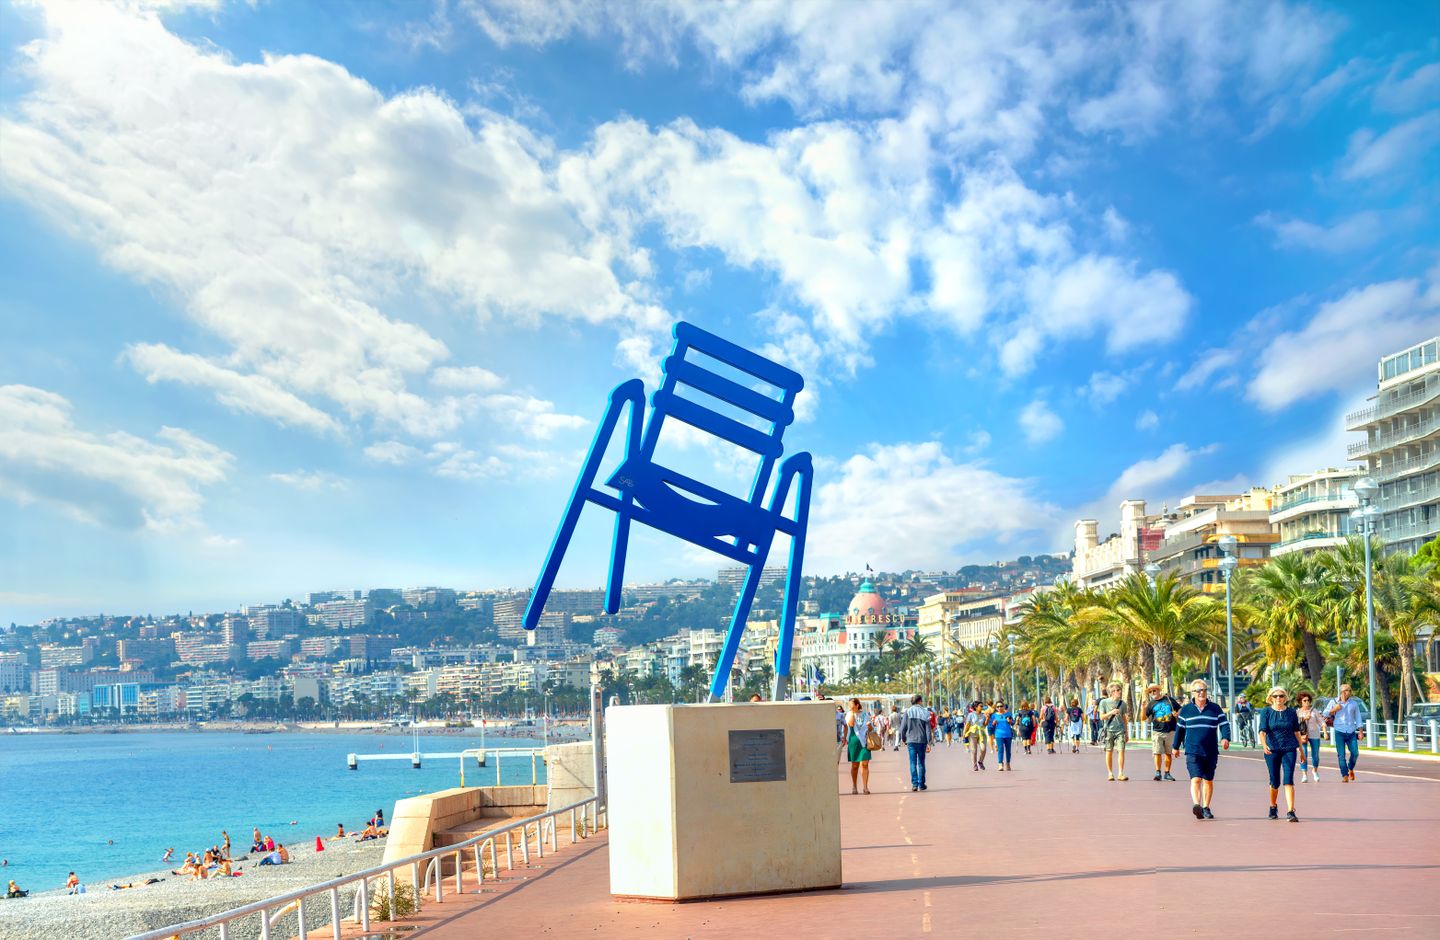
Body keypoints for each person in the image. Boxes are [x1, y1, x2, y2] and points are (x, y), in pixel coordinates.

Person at [1175, 679, 1231, 819]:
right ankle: (1196, 805)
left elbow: (1224, 724)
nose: (1202, 693)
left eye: (1204, 690)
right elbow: (1180, 730)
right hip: (1193, 750)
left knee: (1208, 780)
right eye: (1199, 690)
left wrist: (1225, 738)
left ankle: (1206, 807)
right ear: (1193, 693)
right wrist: (1175, 747)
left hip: (1211, 750)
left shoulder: (1215, 708)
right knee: (1196, 779)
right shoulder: (1186, 710)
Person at [1258, 686, 1304, 822]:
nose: (1278, 698)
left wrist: (1301, 750)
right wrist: (1264, 745)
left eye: (1281, 696)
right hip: (1272, 749)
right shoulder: (1266, 712)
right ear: (1271, 698)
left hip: (1289, 748)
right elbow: (1262, 731)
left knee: (1288, 779)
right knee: (1275, 781)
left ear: (1285, 698)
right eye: (1275, 696)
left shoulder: (1291, 712)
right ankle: (1273, 806)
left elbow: (1296, 731)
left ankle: (1291, 811)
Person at [1325, 684, 1365, 781]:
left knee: (1355, 753)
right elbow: (1325, 713)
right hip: (1339, 731)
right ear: (1342, 692)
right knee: (1341, 754)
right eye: (1347, 690)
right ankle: (1344, 775)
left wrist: (1360, 731)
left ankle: (1350, 768)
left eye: (1350, 690)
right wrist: (1334, 709)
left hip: (1351, 731)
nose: (1349, 692)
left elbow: (1358, 717)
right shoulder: (1333, 701)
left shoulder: (1354, 703)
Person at [1143, 683, 1181, 782]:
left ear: (1159, 690)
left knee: (1168, 753)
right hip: (1157, 731)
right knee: (1157, 752)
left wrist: (1177, 714)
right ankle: (1158, 772)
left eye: (1154, 690)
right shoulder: (1151, 704)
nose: (1152, 693)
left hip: (1170, 730)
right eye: (1150, 692)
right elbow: (1143, 718)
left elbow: (1180, 708)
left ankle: (1167, 773)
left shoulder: (1169, 699)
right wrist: (1143, 709)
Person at [899, 694, 933, 791]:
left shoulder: (907, 712)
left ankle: (914, 784)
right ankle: (921, 784)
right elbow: (928, 730)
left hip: (911, 741)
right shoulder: (925, 712)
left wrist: (904, 739)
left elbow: (902, 728)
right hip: (922, 741)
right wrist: (929, 742)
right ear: (919, 701)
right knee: (921, 763)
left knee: (912, 762)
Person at [1099, 683, 1130, 781]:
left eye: (1120, 689)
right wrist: (1111, 713)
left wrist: (1127, 732)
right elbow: (1101, 717)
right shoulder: (1104, 702)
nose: (1119, 691)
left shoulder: (1123, 704)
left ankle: (1121, 773)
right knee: (1109, 751)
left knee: (1121, 751)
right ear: (1112, 692)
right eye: (1117, 690)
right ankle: (1110, 773)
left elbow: (1124, 718)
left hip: (1120, 730)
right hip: (1109, 730)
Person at [844, 697, 872, 795]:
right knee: (854, 765)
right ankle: (854, 786)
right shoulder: (849, 714)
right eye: (849, 705)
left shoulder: (865, 715)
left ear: (857, 705)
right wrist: (852, 712)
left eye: (852, 705)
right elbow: (851, 724)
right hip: (853, 742)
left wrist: (870, 726)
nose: (850, 707)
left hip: (864, 742)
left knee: (865, 764)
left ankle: (865, 787)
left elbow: (871, 728)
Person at [1295, 692, 1325, 783]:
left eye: (1308, 700)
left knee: (1315, 755)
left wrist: (1325, 731)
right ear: (1300, 702)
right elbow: (1294, 724)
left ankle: (1315, 771)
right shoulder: (1297, 712)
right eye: (1304, 700)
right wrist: (1304, 718)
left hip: (1314, 734)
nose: (1307, 702)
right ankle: (1304, 775)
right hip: (1302, 735)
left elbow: (1321, 721)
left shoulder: (1314, 711)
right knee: (1303, 754)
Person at [989, 701, 1016, 771]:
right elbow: (991, 726)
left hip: (1008, 734)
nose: (999, 708)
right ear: (996, 708)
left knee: (1008, 750)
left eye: (1001, 706)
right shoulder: (994, 715)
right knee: (1000, 750)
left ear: (1003, 706)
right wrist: (993, 723)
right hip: (998, 735)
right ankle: (1000, 764)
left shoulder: (1008, 714)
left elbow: (1013, 723)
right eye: (997, 707)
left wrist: (1010, 721)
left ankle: (1008, 763)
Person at [963, 702, 988, 770]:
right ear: (976, 707)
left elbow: (985, 724)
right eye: (981, 706)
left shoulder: (983, 715)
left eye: (982, 706)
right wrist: (964, 733)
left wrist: (987, 718)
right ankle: (974, 765)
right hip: (973, 733)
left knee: (983, 749)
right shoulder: (971, 715)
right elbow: (967, 724)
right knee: (974, 750)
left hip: (981, 733)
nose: (982, 707)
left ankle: (980, 761)